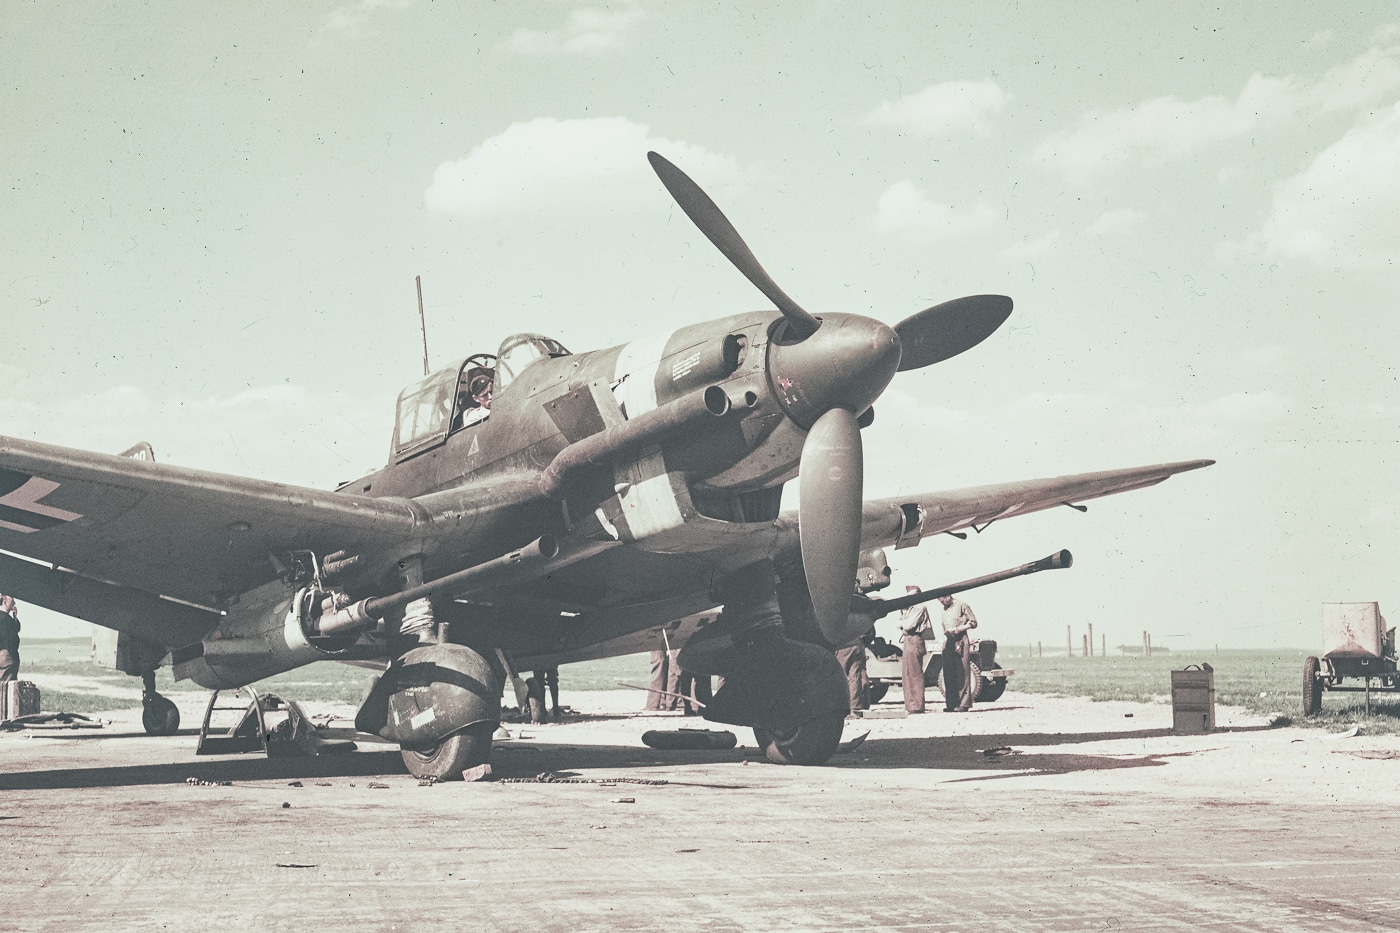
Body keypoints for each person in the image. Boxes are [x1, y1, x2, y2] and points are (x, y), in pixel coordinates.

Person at [938, 593, 978, 712]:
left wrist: (959, 629)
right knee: (949, 673)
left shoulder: (962, 605)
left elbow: (973, 622)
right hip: (949, 641)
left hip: (961, 640)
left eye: (943, 600)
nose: (942, 603)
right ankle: (951, 703)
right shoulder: (944, 609)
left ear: (948, 596)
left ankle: (964, 704)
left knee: (962, 672)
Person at [898, 586, 933, 713]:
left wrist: (903, 623)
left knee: (914, 673)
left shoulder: (919, 608)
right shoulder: (909, 609)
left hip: (914, 639)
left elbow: (908, 625)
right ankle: (911, 705)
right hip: (908, 640)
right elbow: (900, 623)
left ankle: (917, 706)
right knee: (907, 674)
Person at [0, 595, 19, 683]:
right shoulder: (4, 618)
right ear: (4, 600)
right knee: (6, 684)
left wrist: (15, 617)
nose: (14, 603)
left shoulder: (6, 618)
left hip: (6, 654)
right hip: (7, 654)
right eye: (12, 600)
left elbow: (16, 628)